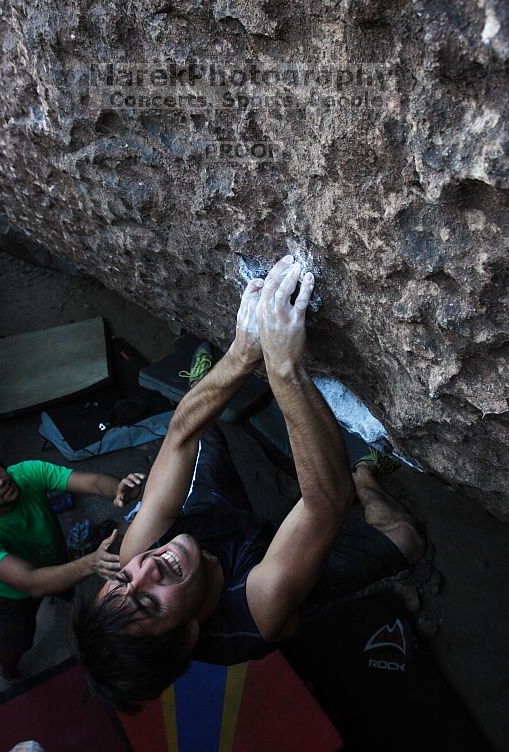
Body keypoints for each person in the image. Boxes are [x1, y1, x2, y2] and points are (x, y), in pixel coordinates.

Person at [74, 255, 425, 712]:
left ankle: (209, 372)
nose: (146, 568)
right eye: (149, 603)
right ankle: (367, 473)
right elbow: (326, 502)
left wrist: (243, 350)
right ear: (188, 638)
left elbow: (181, 435)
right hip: (262, 566)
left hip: (212, 517)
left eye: (124, 578)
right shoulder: (257, 610)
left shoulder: (138, 551)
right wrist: (282, 365)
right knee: (406, 539)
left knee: (202, 427)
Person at [0, 453, 145, 680]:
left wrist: (121, 490)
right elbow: (31, 583)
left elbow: (93, 482)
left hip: (55, 561)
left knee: (68, 591)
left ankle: (63, 593)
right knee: (16, 641)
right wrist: (89, 563)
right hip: (12, 595)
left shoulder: (27, 472)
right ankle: (8, 672)